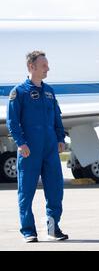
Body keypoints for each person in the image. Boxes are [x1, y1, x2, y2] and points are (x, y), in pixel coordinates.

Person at [6, 51, 68, 243]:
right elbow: (12, 121)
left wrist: (60, 138)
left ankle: (52, 228)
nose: (48, 68)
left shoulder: (49, 92)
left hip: (50, 148)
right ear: (31, 67)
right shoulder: (19, 92)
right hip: (29, 149)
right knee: (26, 191)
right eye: (44, 65)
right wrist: (21, 143)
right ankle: (28, 231)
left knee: (55, 189)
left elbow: (57, 117)